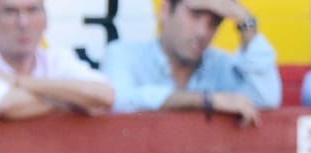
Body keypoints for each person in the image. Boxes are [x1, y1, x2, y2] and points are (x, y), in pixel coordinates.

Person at [103, 0, 279, 126]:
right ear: (165, 11)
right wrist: (206, 100)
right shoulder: (123, 55)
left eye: (214, 22)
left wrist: (244, 19)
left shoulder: (220, 65)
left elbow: (265, 97)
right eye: (195, 16)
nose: (203, 32)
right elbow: (118, 99)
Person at [0, 0, 113, 119]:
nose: (23, 23)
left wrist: (14, 81)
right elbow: (6, 105)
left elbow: (104, 94)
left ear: (46, 20)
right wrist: (72, 98)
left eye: (32, 10)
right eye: (10, 11)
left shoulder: (56, 57)